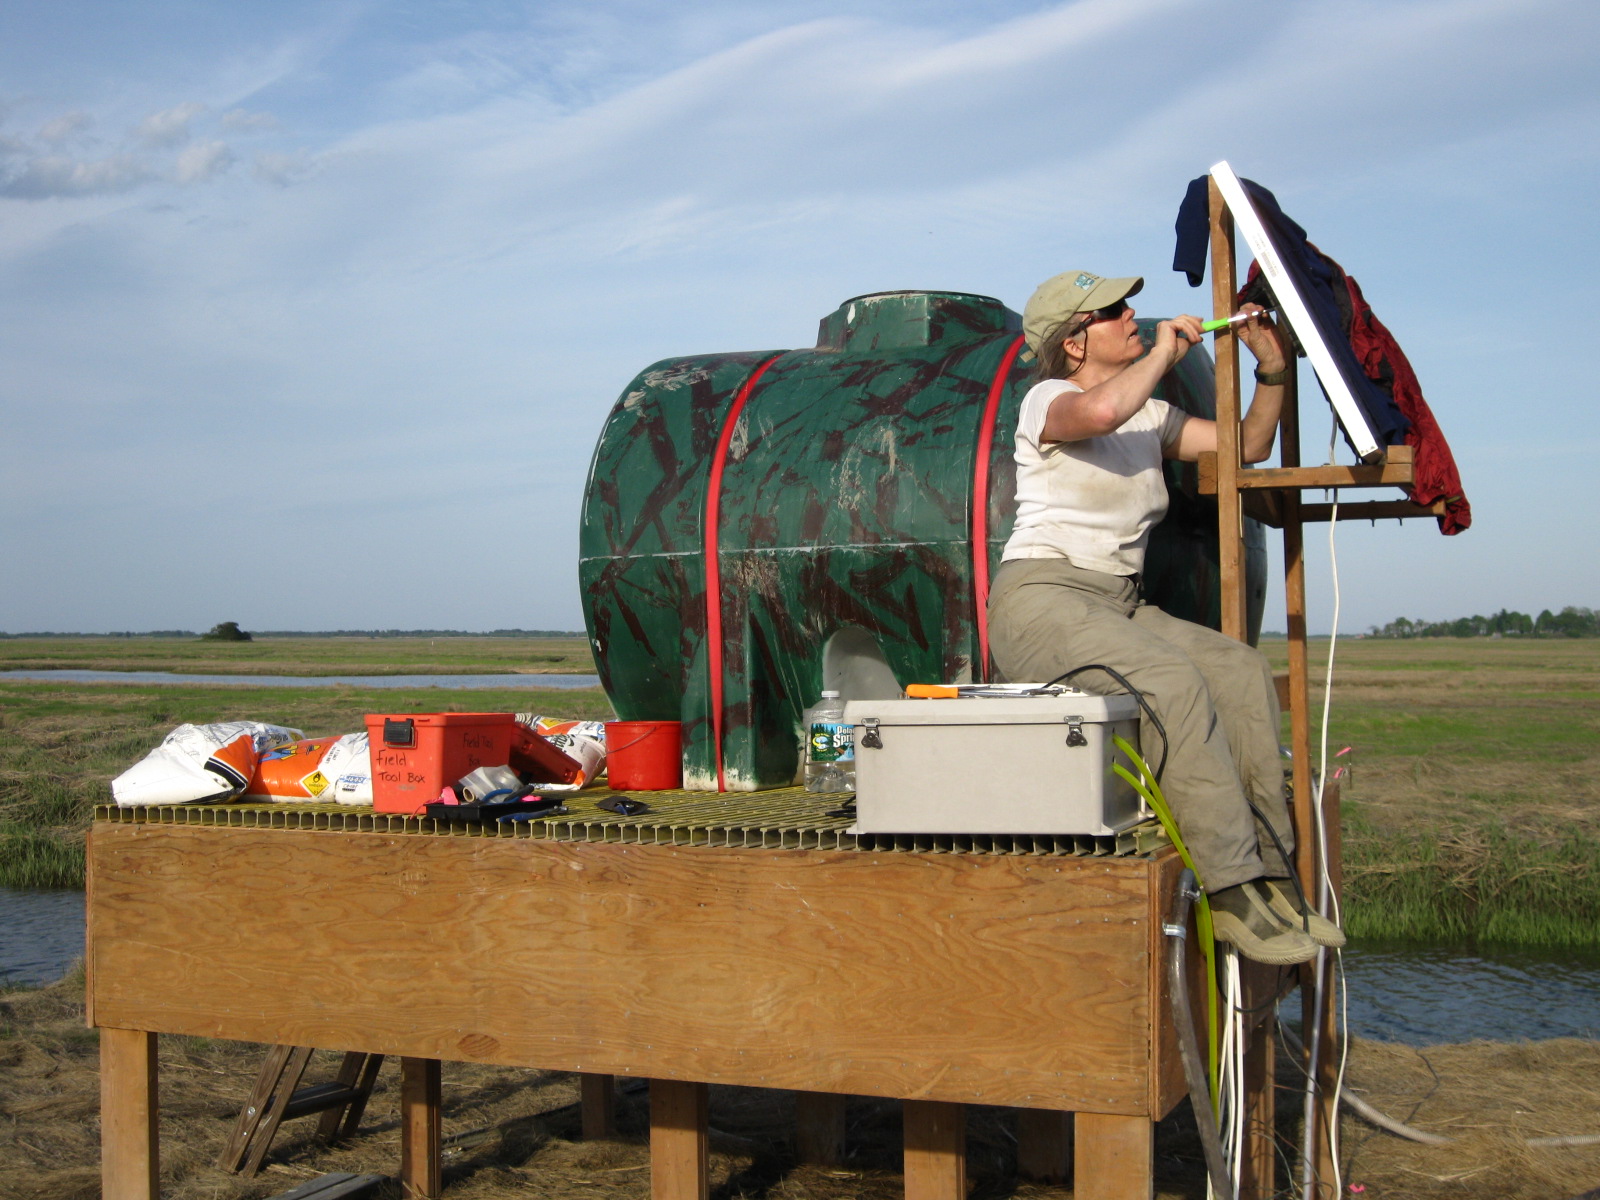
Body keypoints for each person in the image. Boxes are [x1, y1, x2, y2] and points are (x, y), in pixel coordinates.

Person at [987, 268, 1344, 965]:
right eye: (1114, 310)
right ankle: (1232, 891)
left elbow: (1246, 446)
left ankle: (1272, 875)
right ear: (1075, 341)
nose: (1132, 316)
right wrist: (1162, 353)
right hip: (1041, 601)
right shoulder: (1047, 401)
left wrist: (1271, 371)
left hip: (1119, 601)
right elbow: (1098, 416)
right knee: (1169, 683)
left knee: (1239, 672)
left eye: (1129, 306)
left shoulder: (1149, 415)